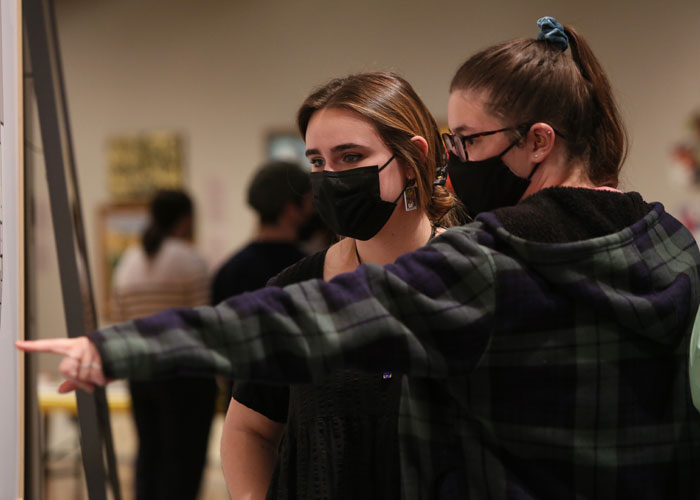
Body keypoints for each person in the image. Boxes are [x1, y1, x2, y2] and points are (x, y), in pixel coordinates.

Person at [18, 17, 700, 499]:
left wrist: (121, 350)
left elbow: (294, 325)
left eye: (465, 142)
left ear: (538, 141)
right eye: (315, 161)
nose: (456, 162)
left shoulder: (488, 262)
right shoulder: (671, 242)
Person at [221, 72, 464, 499]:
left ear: (412, 159)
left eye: (350, 157)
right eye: (317, 161)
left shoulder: (478, 280)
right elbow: (247, 430)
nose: (330, 177)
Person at [109, 190, 216, 500]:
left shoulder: (127, 262)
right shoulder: (189, 259)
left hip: (140, 372)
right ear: (184, 220)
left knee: (149, 455)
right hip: (182, 374)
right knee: (181, 462)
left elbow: (118, 321)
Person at [211, 160, 312, 306]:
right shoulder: (307, 268)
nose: (313, 209)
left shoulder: (229, 270)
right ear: (291, 209)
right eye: (309, 200)